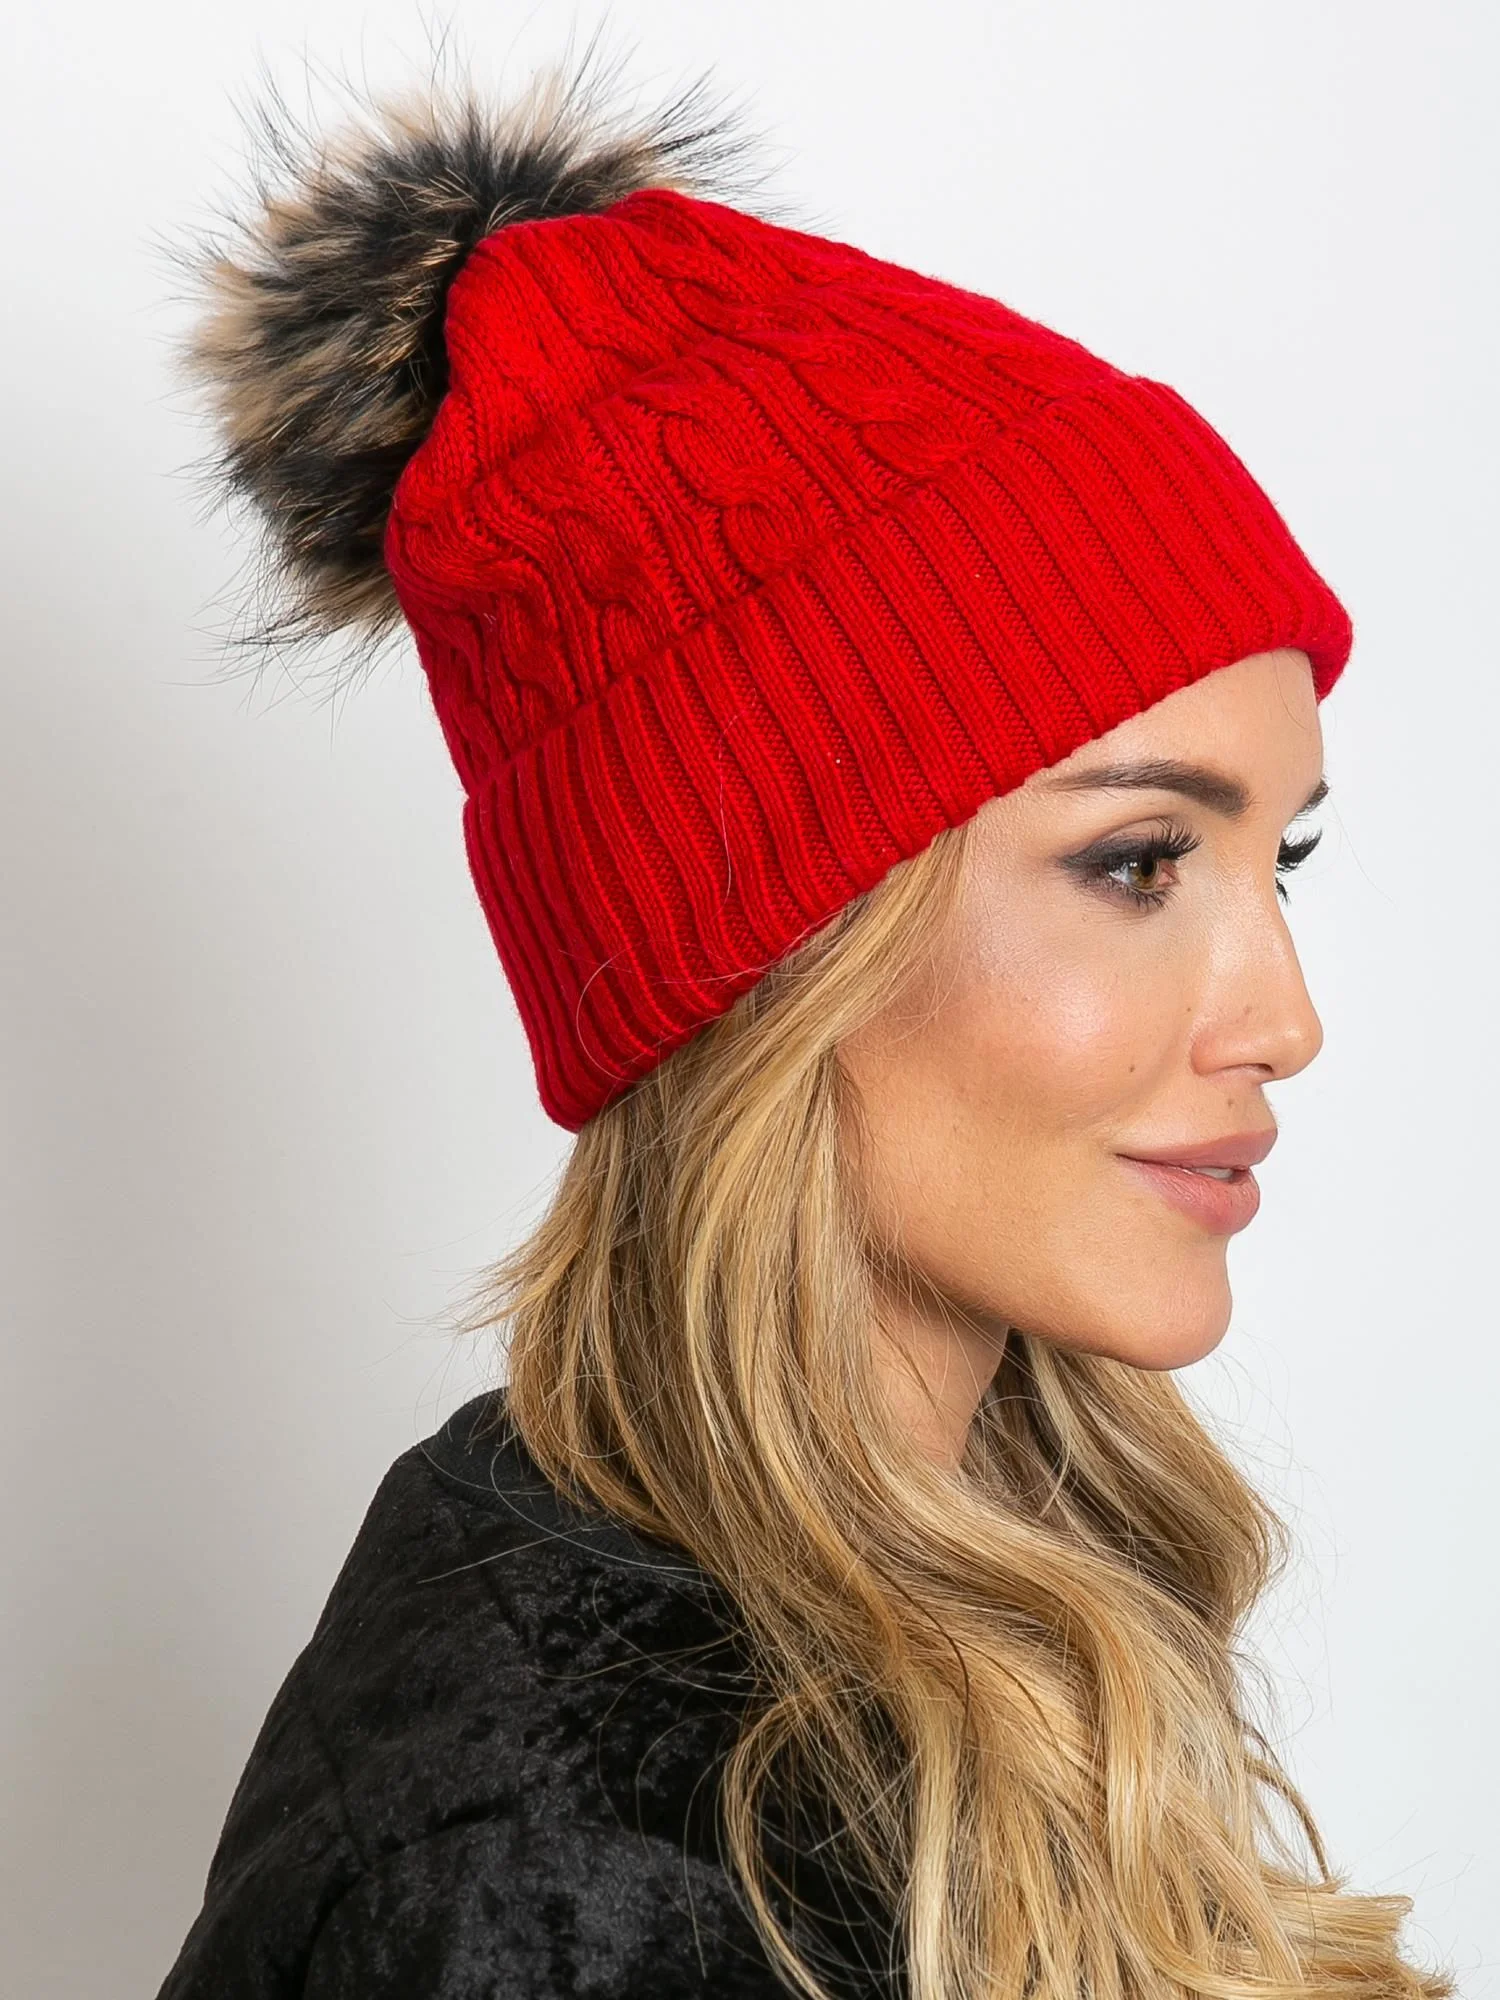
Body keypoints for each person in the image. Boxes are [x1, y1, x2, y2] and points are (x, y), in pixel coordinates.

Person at [154, 49, 1454, 2000]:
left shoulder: (916, 1636)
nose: (1286, 1019)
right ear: (768, 947)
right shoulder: (558, 1875)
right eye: (1137, 862)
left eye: (1286, 859)